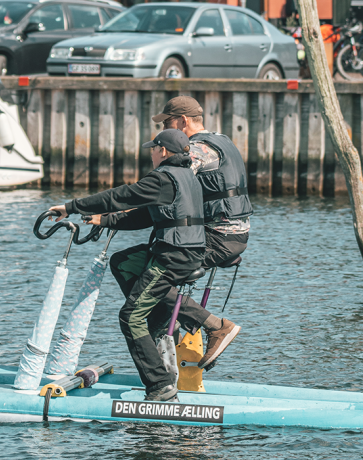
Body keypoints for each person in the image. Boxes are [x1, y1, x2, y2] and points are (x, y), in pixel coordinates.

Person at [48, 129, 240, 402]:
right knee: (123, 261)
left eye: (153, 149)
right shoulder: (187, 176)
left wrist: (71, 206)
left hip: (173, 256)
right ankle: (156, 322)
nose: (151, 153)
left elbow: (121, 196)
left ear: (163, 151)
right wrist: (106, 221)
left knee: (130, 317)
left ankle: (160, 385)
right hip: (182, 251)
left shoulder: (163, 177)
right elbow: (146, 216)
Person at [150, 96, 253, 370]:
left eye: (168, 123)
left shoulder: (196, 150)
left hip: (218, 237)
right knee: (158, 270)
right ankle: (173, 351)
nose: (163, 133)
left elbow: (167, 184)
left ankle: (215, 327)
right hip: (233, 233)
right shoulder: (222, 139)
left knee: (152, 278)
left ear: (183, 122)